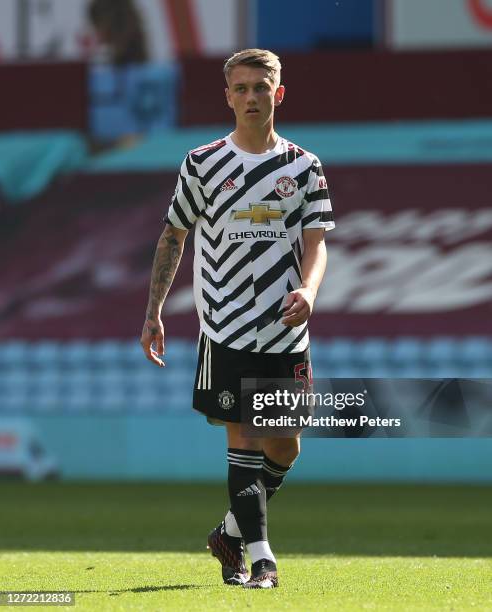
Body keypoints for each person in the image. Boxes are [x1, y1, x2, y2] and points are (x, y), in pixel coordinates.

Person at [141, 48, 334, 589]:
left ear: (279, 93)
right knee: (246, 441)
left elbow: (317, 244)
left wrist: (309, 289)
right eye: (242, 88)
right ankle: (262, 559)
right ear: (228, 96)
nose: (252, 96)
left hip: (286, 332)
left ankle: (229, 532)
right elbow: (174, 235)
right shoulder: (202, 163)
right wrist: (154, 310)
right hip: (226, 327)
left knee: (285, 443)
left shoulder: (304, 166)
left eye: (261, 86)